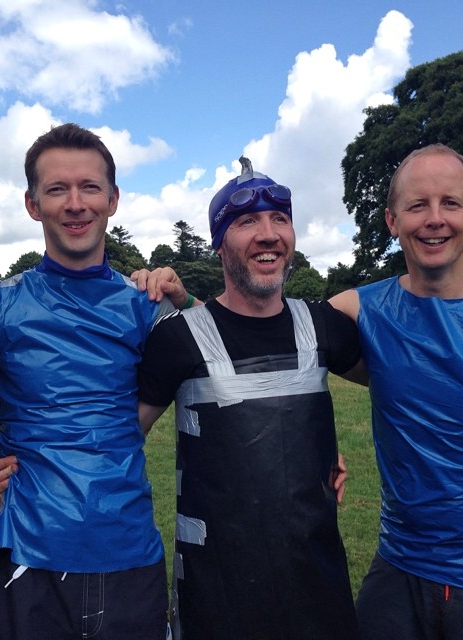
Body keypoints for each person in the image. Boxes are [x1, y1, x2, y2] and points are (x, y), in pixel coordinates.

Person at [0, 123, 190, 640]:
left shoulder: (148, 304)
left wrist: (187, 304)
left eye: (89, 187)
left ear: (112, 199)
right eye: (57, 189)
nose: (75, 204)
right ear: (32, 204)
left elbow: (231, 355)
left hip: (128, 548)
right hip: (27, 551)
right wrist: (25, 423)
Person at [137, 158, 363, 639]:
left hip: (318, 593)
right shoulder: (176, 339)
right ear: (220, 245)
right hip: (216, 599)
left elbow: (414, 390)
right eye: (246, 222)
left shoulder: (324, 327)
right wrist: (22, 463)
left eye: (280, 219)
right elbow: (114, 438)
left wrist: (316, 448)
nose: (268, 233)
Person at [330, 144, 463, 639]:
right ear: (392, 220)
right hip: (398, 570)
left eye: (450, 203)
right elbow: (258, 340)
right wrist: (181, 301)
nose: (434, 220)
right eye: (418, 205)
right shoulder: (359, 311)